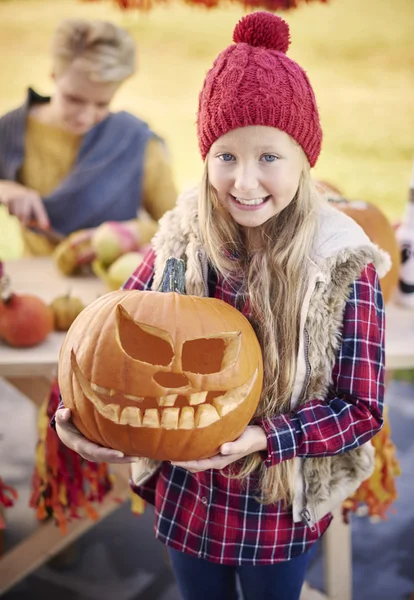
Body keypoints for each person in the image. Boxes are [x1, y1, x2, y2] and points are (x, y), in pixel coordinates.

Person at [54, 12, 389, 600]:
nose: (245, 181)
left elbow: (360, 409)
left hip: (276, 504)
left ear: (303, 160)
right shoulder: (184, 239)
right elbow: (106, 334)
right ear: (207, 157)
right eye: (226, 156)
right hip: (189, 498)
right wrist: (73, 421)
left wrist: (266, 437)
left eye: (269, 157)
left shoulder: (340, 266)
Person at [0, 18, 177, 272]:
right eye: (73, 98)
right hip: (35, 284)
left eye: (102, 104)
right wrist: (5, 188)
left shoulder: (136, 142)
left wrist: (129, 233)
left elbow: (179, 226)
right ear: (54, 75)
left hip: (113, 291)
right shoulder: (10, 131)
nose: (85, 116)